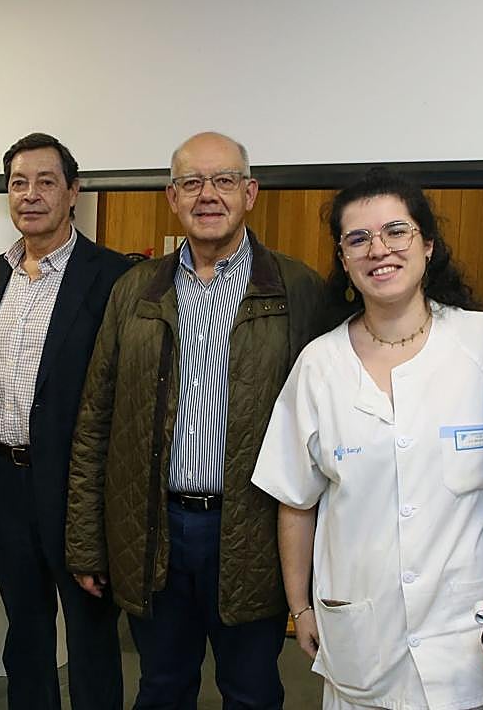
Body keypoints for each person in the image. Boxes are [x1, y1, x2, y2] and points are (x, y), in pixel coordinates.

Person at [66, 131, 327, 709]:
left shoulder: (298, 287)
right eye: (192, 182)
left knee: (253, 690)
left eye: (224, 180)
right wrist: (87, 543)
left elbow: (327, 428)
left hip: (255, 531)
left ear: (250, 192)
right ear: (172, 196)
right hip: (155, 528)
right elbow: (96, 419)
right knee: (161, 687)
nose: (208, 195)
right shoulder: (134, 289)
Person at [252, 168, 483, 710]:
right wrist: (300, 608)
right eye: (358, 238)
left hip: (466, 643)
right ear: (343, 259)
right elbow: (295, 500)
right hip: (362, 636)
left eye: (397, 231)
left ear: (428, 245)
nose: (379, 249)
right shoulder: (319, 365)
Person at [0, 132, 131, 710]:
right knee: (26, 633)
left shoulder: (113, 277)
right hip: (3, 482)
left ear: (73, 192)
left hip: (76, 486)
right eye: (18, 183)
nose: (29, 195)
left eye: (45, 182)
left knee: (89, 635)